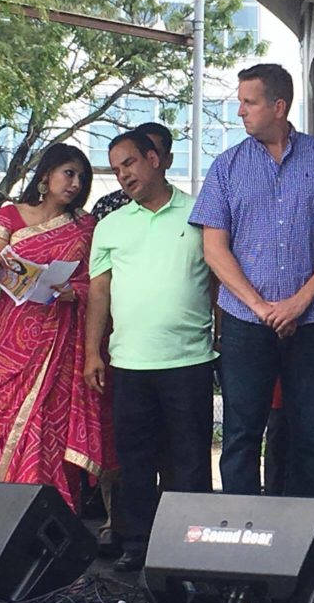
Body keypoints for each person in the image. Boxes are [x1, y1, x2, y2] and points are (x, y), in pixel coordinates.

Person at [190, 63, 314, 498]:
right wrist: (261, 307)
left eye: (248, 103)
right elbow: (214, 249)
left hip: (312, 320)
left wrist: (298, 303)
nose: (240, 112)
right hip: (244, 321)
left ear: (279, 106)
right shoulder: (227, 166)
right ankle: (239, 524)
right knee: (241, 432)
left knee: (309, 430)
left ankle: (303, 527)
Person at [84, 129, 216, 571]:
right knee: (135, 461)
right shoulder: (110, 225)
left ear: (154, 159)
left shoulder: (200, 213)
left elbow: (218, 280)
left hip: (190, 359)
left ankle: (190, 546)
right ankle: (137, 544)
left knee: (190, 461)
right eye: (116, 169)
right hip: (129, 362)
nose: (123, 175)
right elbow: (98, 293)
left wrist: (220, 334)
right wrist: (92, 353)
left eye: (130, 163)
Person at [0, 144, 106, 513]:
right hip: (12, 340)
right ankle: (8, 515)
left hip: (62, 340)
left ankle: (55, 517)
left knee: (53, 426)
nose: (76, 183)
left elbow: (97, 283)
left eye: (81, 177)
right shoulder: (10, 214)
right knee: (10, 425)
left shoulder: (86, 226)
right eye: (68, 173)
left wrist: (73, 291)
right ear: (45, 175)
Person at [91, 122, 175, 221]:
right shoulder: (106, 207)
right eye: (116, 171)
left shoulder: (188, 210)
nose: (123, 175)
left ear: (168, 160)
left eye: (155, 152)